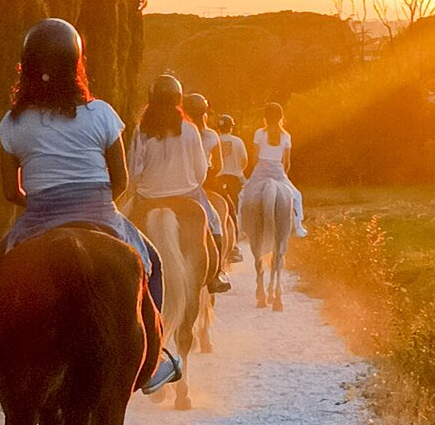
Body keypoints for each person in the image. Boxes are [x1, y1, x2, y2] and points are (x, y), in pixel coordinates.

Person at [0, 18, 181, 395]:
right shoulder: (101, 113)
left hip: (38, 218)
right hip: (100, 211)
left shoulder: (14, 122)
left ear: (28, 65)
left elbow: (10, 190)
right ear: (77, 63)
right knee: (153, 265)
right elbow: (120, 180)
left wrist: (38, 203)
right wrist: (96, 201)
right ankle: (154, 360)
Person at [129, 75, 231, 293]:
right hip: (188, 194)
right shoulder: (190, 129)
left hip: (148, 196)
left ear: (151, 98)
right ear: (179, 99)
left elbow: (135, 170)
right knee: (214, 223)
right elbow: (201, 171)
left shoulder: (141, 130)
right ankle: (217, 274)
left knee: (120, 227)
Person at [243, 102, 307, 238]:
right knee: (296, 195)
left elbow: (255, 157)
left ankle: (241, 225)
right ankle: (298, 226)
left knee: (243, 194)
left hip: (261, 169)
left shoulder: (259, 133)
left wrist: (257, 169)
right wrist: (283, 176)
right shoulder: (286, 136)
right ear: (280, 117)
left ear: (265, 117)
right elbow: (287, 162)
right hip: (278, 171)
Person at [215, 114, 247, 262]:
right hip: (235, 179)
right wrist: (238, 170)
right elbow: (244, 161)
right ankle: (235, 246)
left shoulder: (214, 139)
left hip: (218, 179)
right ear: (231, 127)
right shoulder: (238, 141)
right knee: (237, 208)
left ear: (219, 127)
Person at [182, 93, 222, 191]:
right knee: (228, 205)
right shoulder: (212, 135)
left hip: (183, 178)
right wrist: (208, 178)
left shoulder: (179, 133)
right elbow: (218, 166)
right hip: (206, 180)